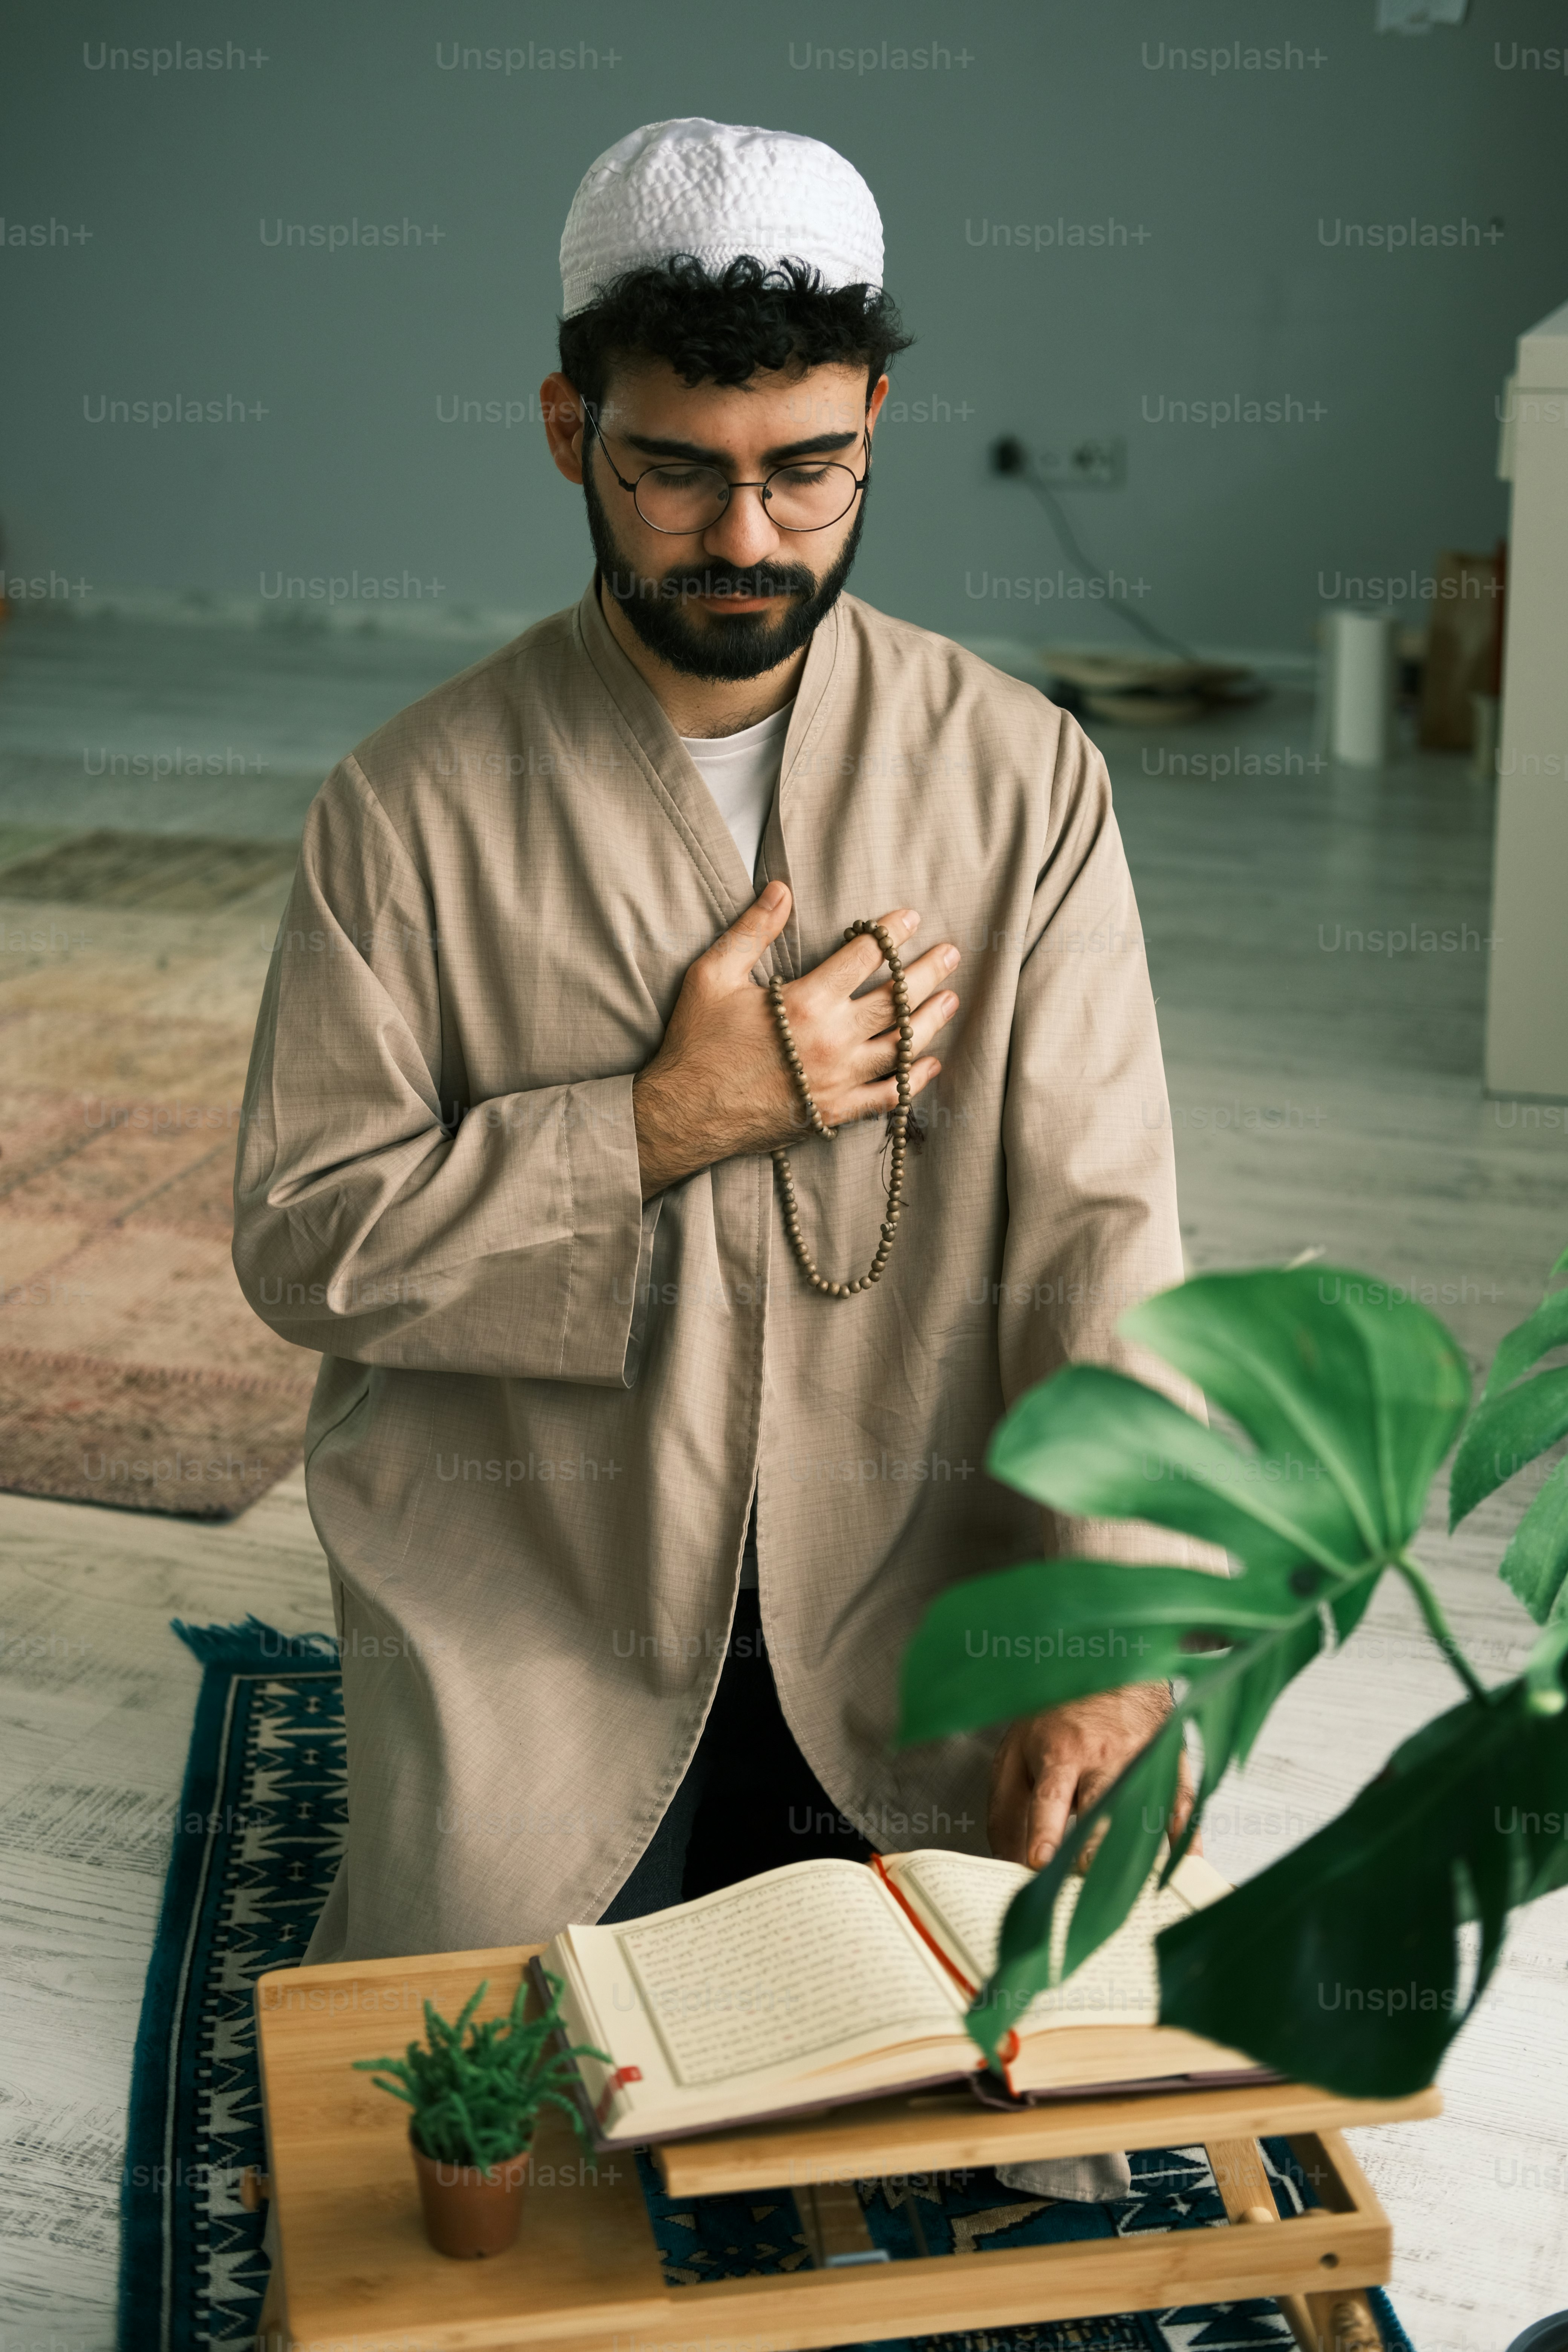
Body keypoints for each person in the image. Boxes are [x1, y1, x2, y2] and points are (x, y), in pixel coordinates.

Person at [233, 118, 1202, 1998]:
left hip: (921, 1577)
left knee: (1022, 2041)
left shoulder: (1023, 777)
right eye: (675, 473)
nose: (746, 537)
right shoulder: (410, 807)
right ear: (564, 426)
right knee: (467, 2073)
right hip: (541, 1586)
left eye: (807, 472)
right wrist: (669, 1119)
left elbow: (1105, 1233)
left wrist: (1114, 1623)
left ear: (876, 422)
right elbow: (303, 1242)